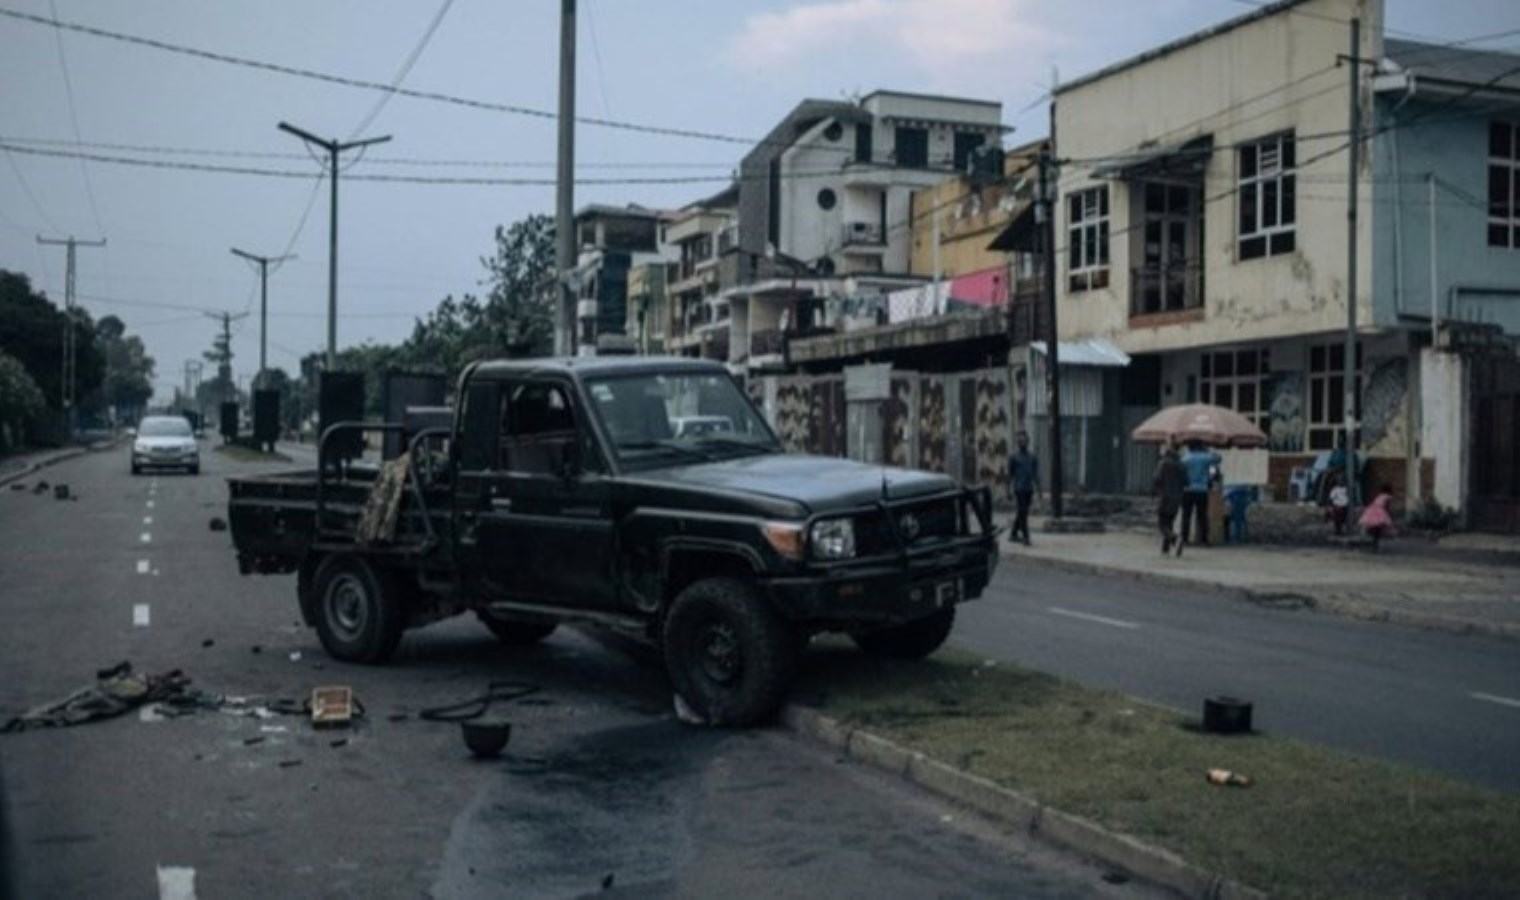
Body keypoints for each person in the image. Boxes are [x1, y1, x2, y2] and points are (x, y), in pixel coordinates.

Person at [1179, 440, 1222, 546]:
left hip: (1187, 490)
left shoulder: (1185, 458)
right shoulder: (1205, 457)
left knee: (1186, 515)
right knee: (1202, 516)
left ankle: (1184, 538)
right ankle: (1203, 539)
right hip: (1202, 490)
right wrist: (1209, 450)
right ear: (1200, 447)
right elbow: (1218, 458)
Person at [1153, 442, 1186, 557]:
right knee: (1169, 522)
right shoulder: (1181, 464)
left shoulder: (1163, 463)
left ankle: (1174, 539)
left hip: (1165, 497)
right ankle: (1165, 549)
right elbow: (1187, 481)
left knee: (1162, 524)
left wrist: (1157, 490)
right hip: (1177, 498)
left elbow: (1156, 479)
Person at [1006, 432, 1038, 546]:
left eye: (1024, 440)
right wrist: (1008, 491)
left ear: (1027, 442)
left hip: (1028, 489)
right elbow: (1009, 475)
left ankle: (1013, 533)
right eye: (1020, 441)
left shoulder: (1032, 456)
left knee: (1022, 512)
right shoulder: (1013, 457)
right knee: (1023, 512)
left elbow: (1035, 474)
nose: (1022, 443)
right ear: (1017, 443)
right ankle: (1026, 537)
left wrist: (1038, 491)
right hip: (1019, 489)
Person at [1359, 483, 1397, 551]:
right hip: (1380, 511)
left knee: (1375, 526)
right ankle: (1375, 543)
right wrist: (1388, 514)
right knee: (1379, 527)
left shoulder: (1379, 495)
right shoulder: (1388, 497)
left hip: (1372, 509)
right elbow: (1386, 506)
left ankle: (1374, 542)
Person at [1326, 471, 1350, 536]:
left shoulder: (1346, 488)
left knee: (1343, 520)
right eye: (1339, 480)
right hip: (1337, 507)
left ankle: (1341, 530)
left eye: (1342, 480)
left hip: (1345, 506)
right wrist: (1330, 507)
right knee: (1337, 520)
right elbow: (1330, 498)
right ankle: (1338, 531)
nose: (1341, 481)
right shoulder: (1335, 489)